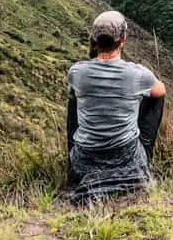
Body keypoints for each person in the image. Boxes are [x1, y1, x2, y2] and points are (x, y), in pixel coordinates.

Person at [66, 11, 166, 206]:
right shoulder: (137, 74)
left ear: (94, 40)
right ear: (123, 40)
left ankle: (71, 167)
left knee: (74, 100)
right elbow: (161, 90)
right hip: (127, 157)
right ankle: (144, 160)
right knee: (154, 97)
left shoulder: (76, 72)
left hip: (83, 161)